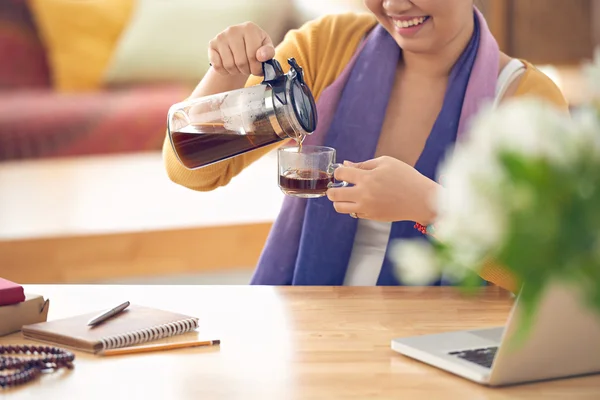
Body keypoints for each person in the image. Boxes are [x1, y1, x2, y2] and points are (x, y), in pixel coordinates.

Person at [163, 0, 568, 291]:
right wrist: (225, 72)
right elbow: (193, 171)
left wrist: (432, 206)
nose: (393, 5)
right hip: (314, 335)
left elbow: (546, 275)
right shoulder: (327, 48)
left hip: (442, 348)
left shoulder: (525, 99)